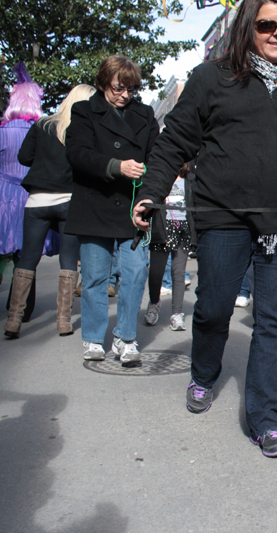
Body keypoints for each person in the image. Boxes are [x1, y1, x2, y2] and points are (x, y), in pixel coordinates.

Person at [133, 0, 277, 458]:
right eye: (268, 24)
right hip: (223, 216)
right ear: (249, 26)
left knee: (273, 320)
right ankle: (203, 374)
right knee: (213, 308)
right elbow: (174, 141)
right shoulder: (212, 78)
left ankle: (265, 419)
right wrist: (152, 191)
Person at [65, 55, 159, 364]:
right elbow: (77, 154)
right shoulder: (83, 111)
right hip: (94, 206)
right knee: (94, 277)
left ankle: (125, 338)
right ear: (103, 83)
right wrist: (116, 166)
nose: (125, 95)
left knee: (134, 273)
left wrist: (146, 199)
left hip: (133, 209)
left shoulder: (145, 115)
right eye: (119, 88)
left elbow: (156, 161)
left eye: (131, 89)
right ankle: (93, 338)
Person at [5, 84, 96, 338]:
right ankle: (64, 321)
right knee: (68, 261)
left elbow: (24, 157)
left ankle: (14, 320)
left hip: (38, 201)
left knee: (28, 259)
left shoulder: (42, 125)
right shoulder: (84, 131)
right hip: (69, 201)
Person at [1, 64, 44, 334]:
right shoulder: (41, 132)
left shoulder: (2, 132)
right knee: (26, 254)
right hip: (29, 196)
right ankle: (22, 307)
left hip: (3, 196)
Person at [144, 162, 194, 331]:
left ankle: (177, 313)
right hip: (162, 229)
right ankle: (153, 303)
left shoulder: (191, 180)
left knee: (178, 273)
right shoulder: (161, 177)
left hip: (183, 230)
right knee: (156, 273)